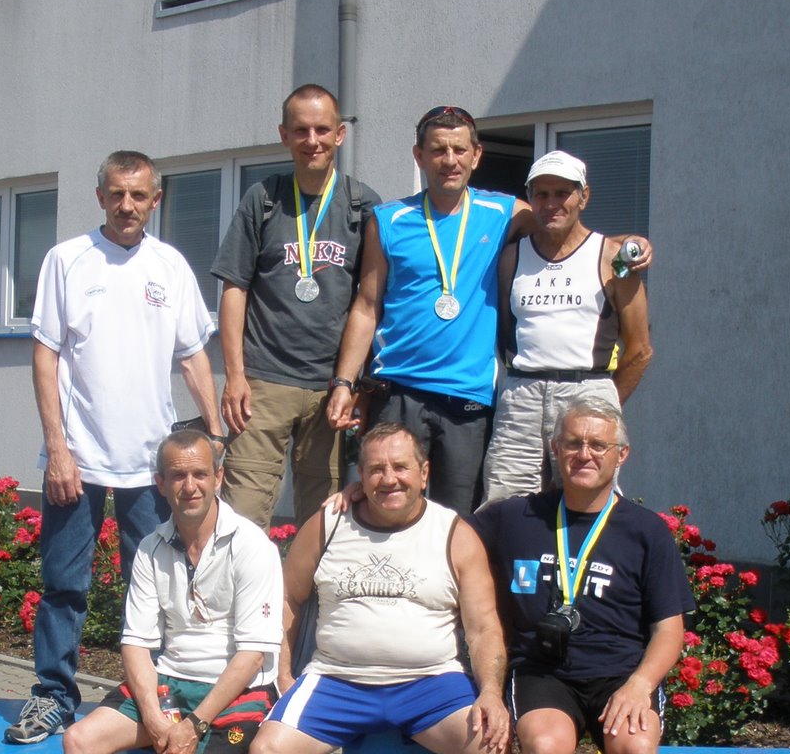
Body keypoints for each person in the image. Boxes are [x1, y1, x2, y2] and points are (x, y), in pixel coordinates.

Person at [208, 424, 509, 754]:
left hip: (430, 683)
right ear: (360, 476)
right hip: (336, 681)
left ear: (424, 473)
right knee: (268, 753)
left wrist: (489, 693)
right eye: (375, 469)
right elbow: (286, 600)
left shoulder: (454, 533)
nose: (389, 479)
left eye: (400, 467)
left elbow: (483, 627)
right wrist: (283, 673)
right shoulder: (329, 523)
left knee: (491, 746)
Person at [326, 107, 653, 517]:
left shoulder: (504, 213)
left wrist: (625, 245)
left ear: (476, 155)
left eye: (459, 149)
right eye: (438, 150)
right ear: (419, 156)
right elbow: (366, 306)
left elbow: (564, 226)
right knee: (389, 504)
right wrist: (344, 382)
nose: (450, 160)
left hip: (469, 399)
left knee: (464, 520)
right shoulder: (389, 220)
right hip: (399, 391)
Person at [32, 429, 283, 754]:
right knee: (78, 740)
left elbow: (252, 656)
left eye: (200, 474)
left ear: (219, 477)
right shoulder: (151, 546)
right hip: (172, 682)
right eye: (177, 476)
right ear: (160, 483)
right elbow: (136, 644)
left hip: (237, 691)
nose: (190, 486)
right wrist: (155, 715)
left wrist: (192, 726)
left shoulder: (252, 546)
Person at [469, 401, 693, 754]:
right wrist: (357, 497)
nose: (584, 454)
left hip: (622, 675)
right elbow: (439, 534)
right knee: (545, 748)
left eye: (598, 445)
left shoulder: (646, 530)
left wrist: (640, 685)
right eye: (572, 443)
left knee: (635, 750)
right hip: (543, 672)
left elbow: (669, 630)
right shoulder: (513, 517)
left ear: (622, 456)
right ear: (554, 449)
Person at [6, 151, 222, 745]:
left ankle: (152, 700)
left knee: (154, 590)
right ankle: (53, 697)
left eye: (139, 195)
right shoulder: (67, 260)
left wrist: (214, 432)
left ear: (156, 200)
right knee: (64, 585)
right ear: (100, 196)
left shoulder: (170, 266)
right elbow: (45, 357)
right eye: (117, 194)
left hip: (153, 470)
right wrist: (57, 449)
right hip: (77, 461)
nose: (128, 206)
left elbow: (192, 355)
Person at [211, 84, 381, 529]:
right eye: (301, 130)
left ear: (340, 134)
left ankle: (305, 582)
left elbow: (371, 302)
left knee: (323, 521)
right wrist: (234, 375)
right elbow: (234, 288)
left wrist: (354, 383)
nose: (312, 140)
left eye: (322, 130)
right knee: (242, 519)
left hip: (331, 388)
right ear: (284, 135)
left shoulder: (363, 205)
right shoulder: (263, 198)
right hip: (263, 383)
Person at [483, 150, 653, 504]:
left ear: (583, 197)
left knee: (587, 502)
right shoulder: (510, 256)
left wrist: (604, 403)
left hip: (587, 388)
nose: (551, 204)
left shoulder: (613, 257)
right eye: (542, 194)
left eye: (562, 193)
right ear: (530, 198)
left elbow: (640, 349)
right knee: (505, 505)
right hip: (520, 396)